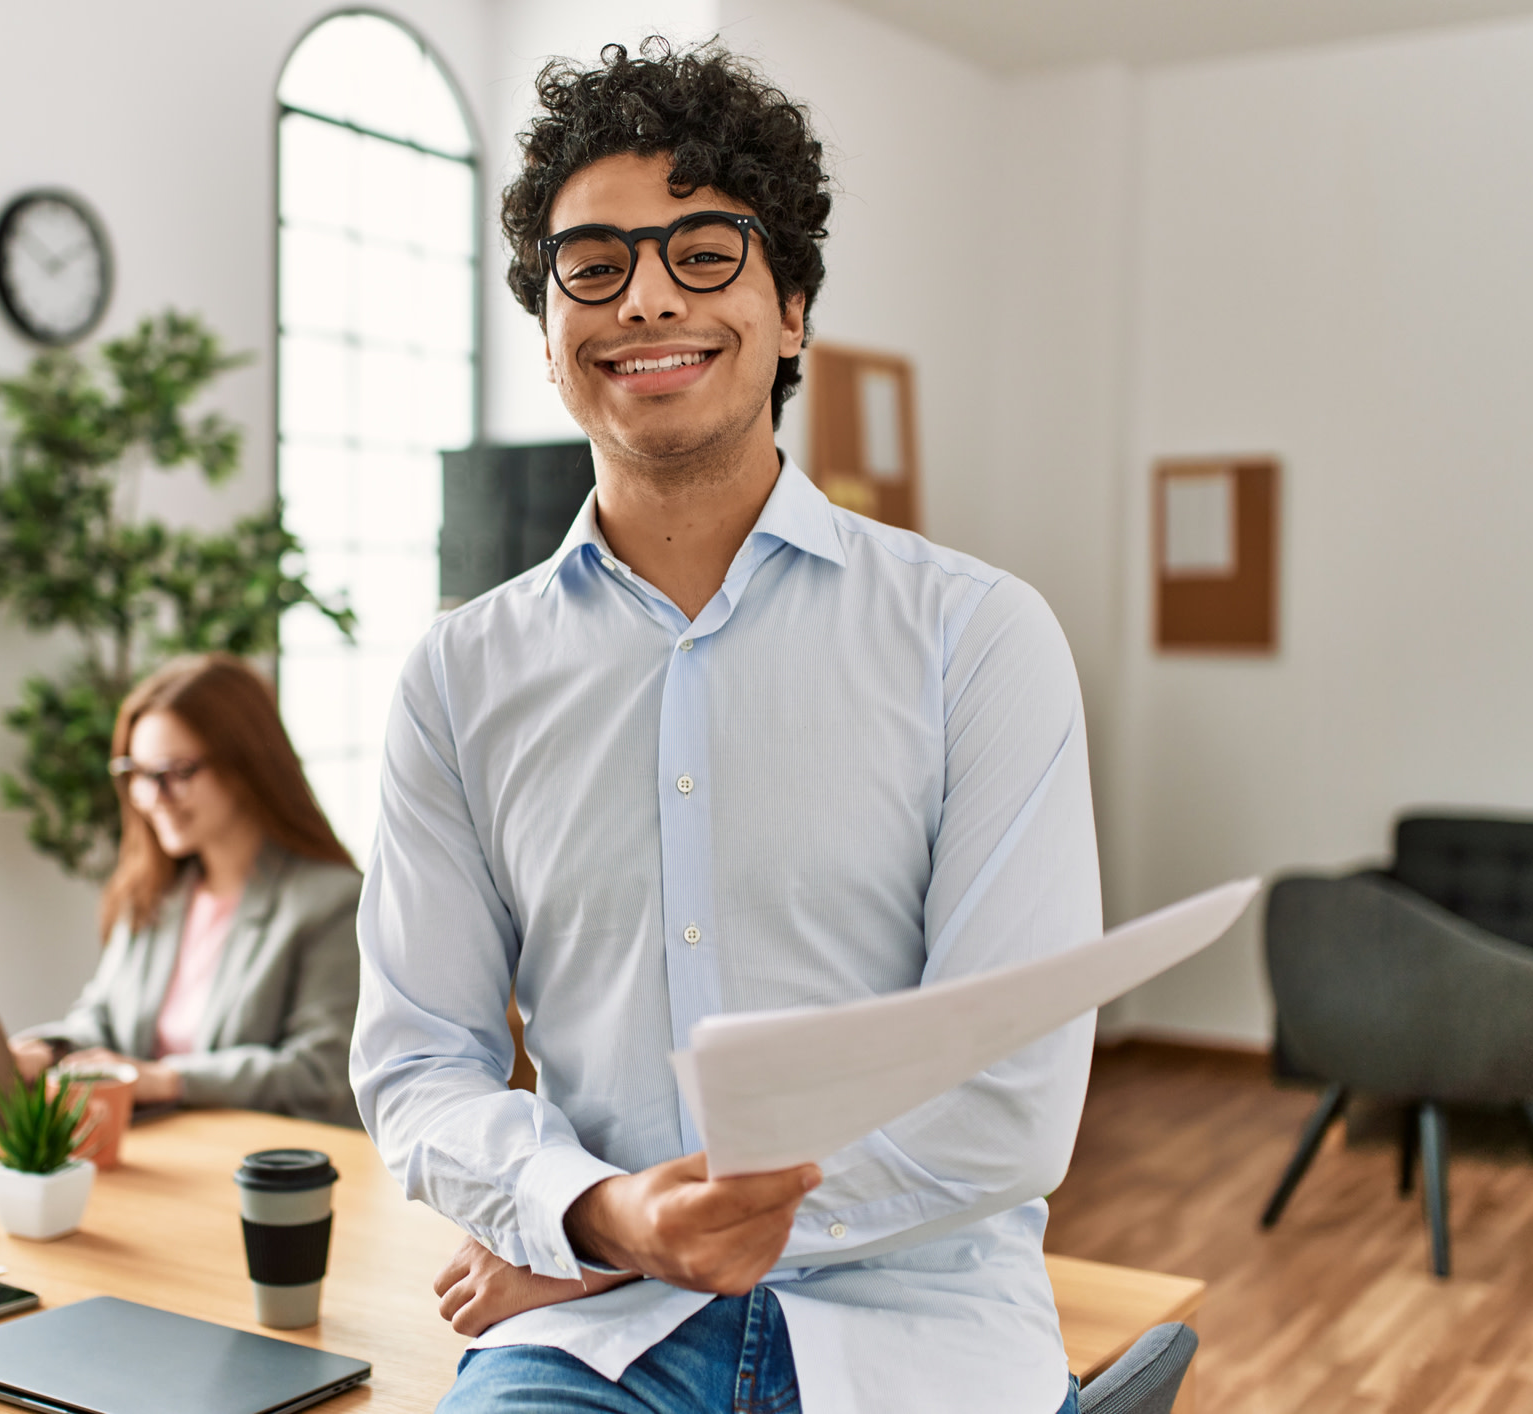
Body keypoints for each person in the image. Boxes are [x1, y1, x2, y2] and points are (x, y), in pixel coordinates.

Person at [350, 40, 1098, 1414]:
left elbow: (1012, 1101)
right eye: (594, 262)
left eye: (703, 250)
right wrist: (596, 1216)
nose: (643, 296)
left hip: (919, 1339)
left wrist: (646, 1239)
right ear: (549, 323)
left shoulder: (977, 641)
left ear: (793, 305)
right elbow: (418, 1063)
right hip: (589, 1342)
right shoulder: (458, 678)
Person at [14, 654, 362, 1127]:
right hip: (148, 1153)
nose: (151, 798)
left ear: (246, 767)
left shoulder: (332, 902)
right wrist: (47, 1052)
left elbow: (319, 1076)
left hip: (248, 1168)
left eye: (175, 773)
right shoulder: (155, 891)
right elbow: (103, 1020)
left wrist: (165, 1080)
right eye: (136, 774)